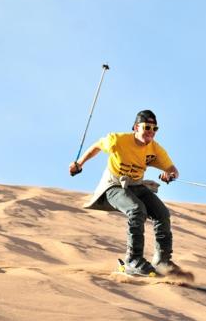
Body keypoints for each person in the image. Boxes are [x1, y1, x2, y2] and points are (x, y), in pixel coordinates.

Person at [69, 109, 183, 277]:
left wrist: (170, 175)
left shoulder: (154, 149)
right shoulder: (117, 140)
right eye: (147, 127)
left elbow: (173, 169)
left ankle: (162, 261)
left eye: (154, 128)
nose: (151, 132)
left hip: (136, 186)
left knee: (162, 214)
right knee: (137, 210)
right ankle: (133, 260)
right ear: (136, 127)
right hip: (114, 186)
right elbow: (96, 146)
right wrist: (79, 164)